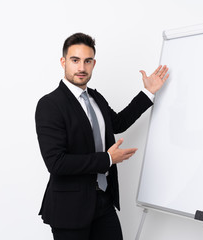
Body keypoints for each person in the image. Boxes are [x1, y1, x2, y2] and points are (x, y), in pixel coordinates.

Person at [35, 32, 169, 240]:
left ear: (93, 63)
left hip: (103, 201)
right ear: (63, 62)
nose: (81, 68)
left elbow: (118, 123)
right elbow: (56, 163)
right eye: (75, 60)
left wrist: (148, 93)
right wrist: (107, 159)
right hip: (69, 210)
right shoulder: (50, 105)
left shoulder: (96, 98)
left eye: (87, 61)